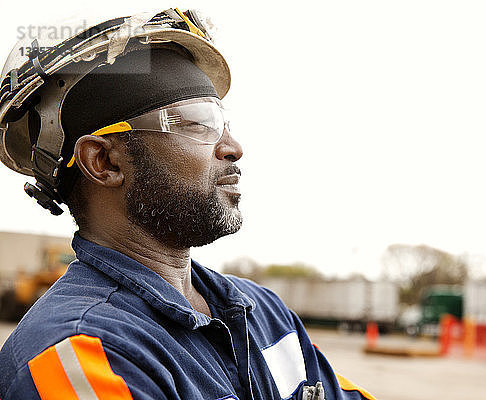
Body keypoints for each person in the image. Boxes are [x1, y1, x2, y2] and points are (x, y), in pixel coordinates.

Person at [0, 8, 375, 400]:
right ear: (104, 161)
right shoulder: (80, 354)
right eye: (200, 122)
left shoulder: (262, 312)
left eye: (225, 124)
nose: (233, 148)